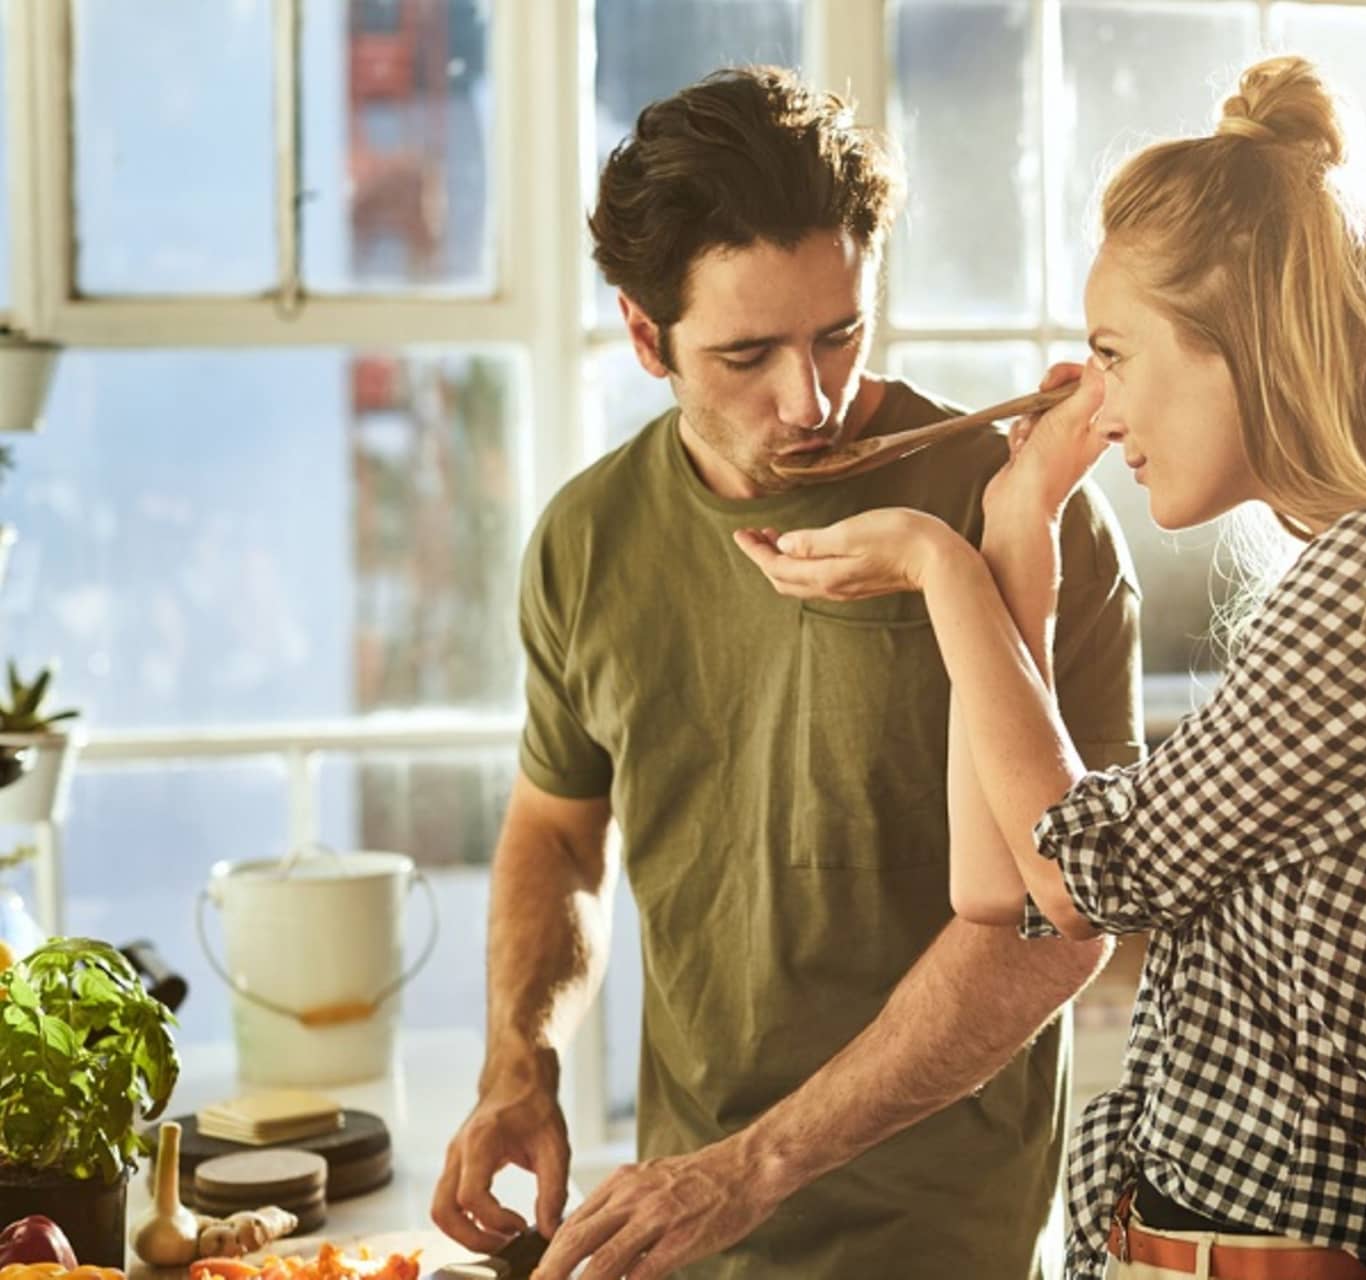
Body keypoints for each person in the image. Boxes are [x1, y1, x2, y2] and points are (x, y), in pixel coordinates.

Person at [739, 54, 1366, 1280]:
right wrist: (1014, 527)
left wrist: (944, 569)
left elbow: (1081, 863)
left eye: (1115, 353)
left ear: (1238, 344)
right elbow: (1008, 890)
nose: (1098, 405)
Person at [432, 66, 1145, 1280]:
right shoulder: (584, 537)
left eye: (838, 333)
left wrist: (752, 1165)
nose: (806, 398)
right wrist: (519, 1055)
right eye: (746, 353)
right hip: (674, 1232)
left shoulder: (1026, 516)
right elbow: (556, 832)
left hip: (940, 1239)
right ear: (643, 334)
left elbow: (1058, 925)